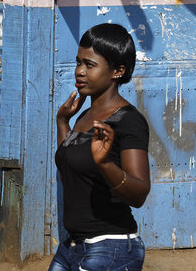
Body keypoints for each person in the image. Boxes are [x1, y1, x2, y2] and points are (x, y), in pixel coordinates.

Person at [50, 24, 151, 271]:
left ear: (118, 71)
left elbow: (139, 194)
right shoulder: (85, 116)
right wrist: (62, 122)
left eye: (90, 65)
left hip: (110, 249)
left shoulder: (129, 121)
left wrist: (105, 164)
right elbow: (70, 173)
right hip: (72, 246)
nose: (79, 71)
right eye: (78, 62)